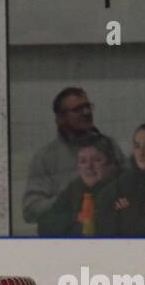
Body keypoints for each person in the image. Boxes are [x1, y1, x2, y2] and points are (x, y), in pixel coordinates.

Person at [22, 87, 124, 229]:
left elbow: (130, 187)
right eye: (78, 109)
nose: (87, 112)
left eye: (88, 107)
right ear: (61, 118)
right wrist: (70, 198)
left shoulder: (109, 146)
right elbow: (30, 210)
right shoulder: (46, 156)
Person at [38, 134, 121, 236]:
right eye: (82, 161)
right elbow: (44, 225)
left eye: (96, 160)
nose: (88, 166)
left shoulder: (125, 187)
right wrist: (76, 217)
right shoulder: (75, 188)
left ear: (112, 163)